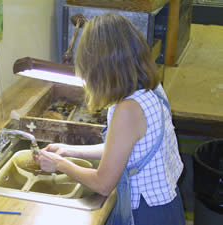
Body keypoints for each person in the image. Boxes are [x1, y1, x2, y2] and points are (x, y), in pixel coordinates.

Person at [38, 13, 185, 225]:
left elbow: (103, 183)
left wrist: (60, 164)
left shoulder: (128, 110)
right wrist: (68, 150)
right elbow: (121, 150)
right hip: (166, 205)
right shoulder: (149, 88)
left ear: (102, 68)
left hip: (148, 215)